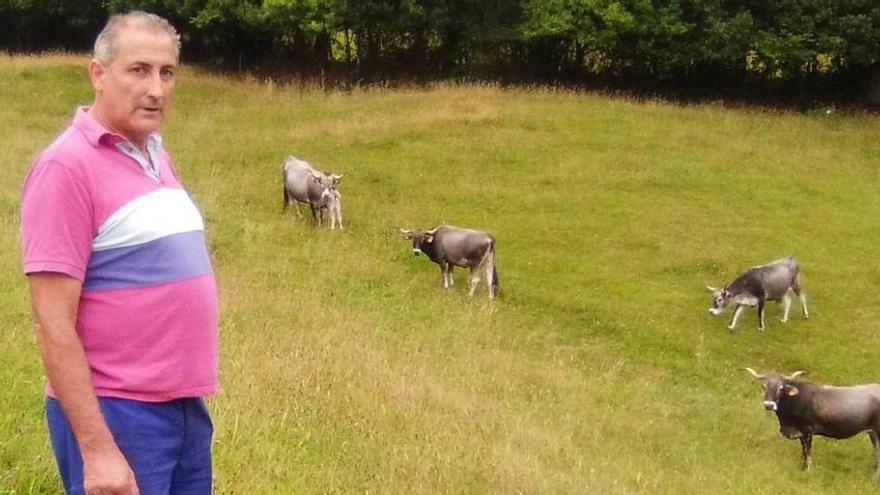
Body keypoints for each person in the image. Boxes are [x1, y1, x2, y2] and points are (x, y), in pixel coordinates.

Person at [20, 11, 218, 495]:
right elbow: (51, 323)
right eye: (139, 70)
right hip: (118, 411)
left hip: (184, 408)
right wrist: (98, 449)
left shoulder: (154, 153)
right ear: (98, 74)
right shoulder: (66, 168)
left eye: (167, 72)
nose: (156, 88)